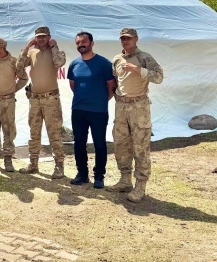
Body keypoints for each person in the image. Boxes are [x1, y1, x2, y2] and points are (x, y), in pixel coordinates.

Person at [108, 28, 164, 202]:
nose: (125, 41)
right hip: (121, 106)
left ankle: (140, 186)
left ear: (136, 39)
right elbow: (115, 81)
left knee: (140, 146)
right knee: (121, 144)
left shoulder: (144, 57)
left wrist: (138, 70)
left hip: (139, 107)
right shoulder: (117, 59)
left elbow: (159, 77)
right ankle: (125, 180)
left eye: (129, 38)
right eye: (123, 38)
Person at [67, 32, 116, 189]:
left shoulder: (104, 63)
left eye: (84, 41)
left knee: (99, 144)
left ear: (92, 43)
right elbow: (73, 85)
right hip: (78, 110)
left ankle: (99, 176)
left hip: (98, 111)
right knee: (79, 143)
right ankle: (82, 174)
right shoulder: (74, 64)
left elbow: (112, 86)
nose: (81, 44)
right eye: (78, 42)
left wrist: (101, 100)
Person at [18, 26, 67, 178]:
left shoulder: (57, 52)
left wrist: (54, 47)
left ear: (49, 37)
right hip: (35, 99)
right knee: (34, 133)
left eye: (44, 36)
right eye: (38, 37)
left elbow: (59, 63)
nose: (41, 39)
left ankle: (59, 166)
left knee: (54, 133)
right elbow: (19, 65)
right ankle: (33, 163)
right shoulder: (32, 52)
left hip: (51, 99)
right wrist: (27, 47)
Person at [0, 38, 28, 172]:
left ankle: (8, 159)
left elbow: (24, 78)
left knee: (9, 130)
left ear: (1, 49)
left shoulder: (14, 62)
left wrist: (12, 89)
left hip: (8, 102)